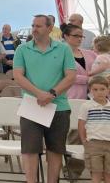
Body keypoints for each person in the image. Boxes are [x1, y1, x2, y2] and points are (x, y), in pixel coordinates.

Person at [13, 14, 76, 183]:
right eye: (33, 25)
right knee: (30, 150)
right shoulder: (22, 49)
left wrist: (52, 93)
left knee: (55, 150)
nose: (34, 29)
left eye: (38, 26)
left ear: (50, 28)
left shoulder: (63, 49)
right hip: (32, 105)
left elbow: (70, 76)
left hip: (59, 106)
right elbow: (18, 75)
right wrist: (39, 93)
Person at [61, 23, 97, 178]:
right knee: (75, 136)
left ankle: (74, 171)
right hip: (71, 98)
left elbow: (99, 70)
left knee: (88, 136)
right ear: (66, 36)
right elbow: (66, 76)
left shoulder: (90, 54)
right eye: (76, 35)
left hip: (92, 100)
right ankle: (72, 173)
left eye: (81, 36)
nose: (80, 38)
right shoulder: (60, 53)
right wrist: (89, 79)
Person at [78, 76, 110, 183]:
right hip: (94, 144)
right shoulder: (87, 106)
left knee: (108, 175)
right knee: (96, 174)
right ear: (90, 91)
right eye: (95, 90)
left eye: (102, 89)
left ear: (108, 90)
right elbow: (81, 124)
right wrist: (83, 140)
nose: (99, 92)